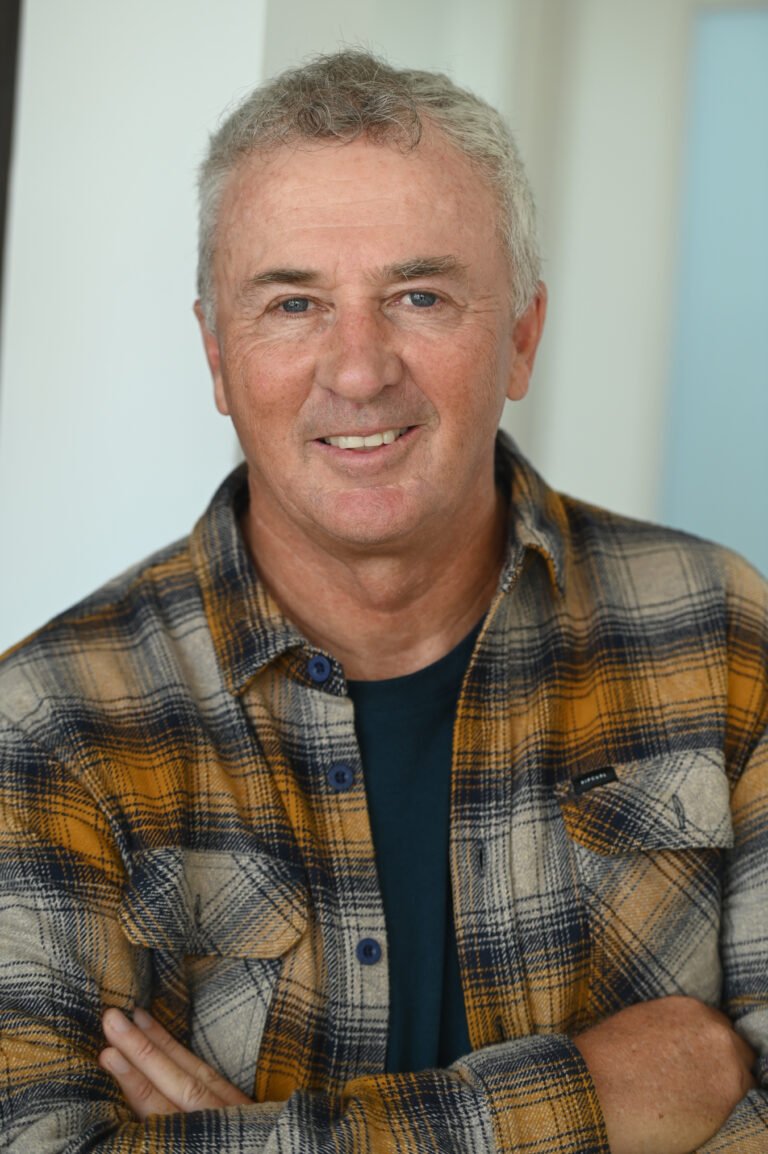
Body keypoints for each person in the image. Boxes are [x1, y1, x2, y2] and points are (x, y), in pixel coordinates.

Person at [0, 50, 765, 1154]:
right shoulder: (47, 725)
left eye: (419, 297)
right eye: (294, 303)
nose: (358, 371)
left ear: (521, 337)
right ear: (217, 355)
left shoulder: (723, 631)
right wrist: (588, 1101)